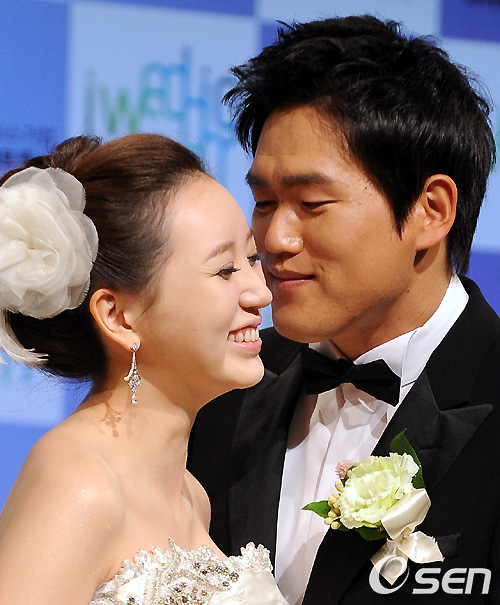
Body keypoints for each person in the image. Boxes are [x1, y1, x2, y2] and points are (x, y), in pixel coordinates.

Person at [189, 14, 500, 604]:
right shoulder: (217, 389)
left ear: (431, 211)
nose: (274, 239)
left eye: (311, 203)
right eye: (264, 202)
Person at [0, 133, 289, 604]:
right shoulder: (76, 482)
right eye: (224, 270)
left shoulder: (193, 496)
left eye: (252, 258)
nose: (261, 292)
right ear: (118, 317)